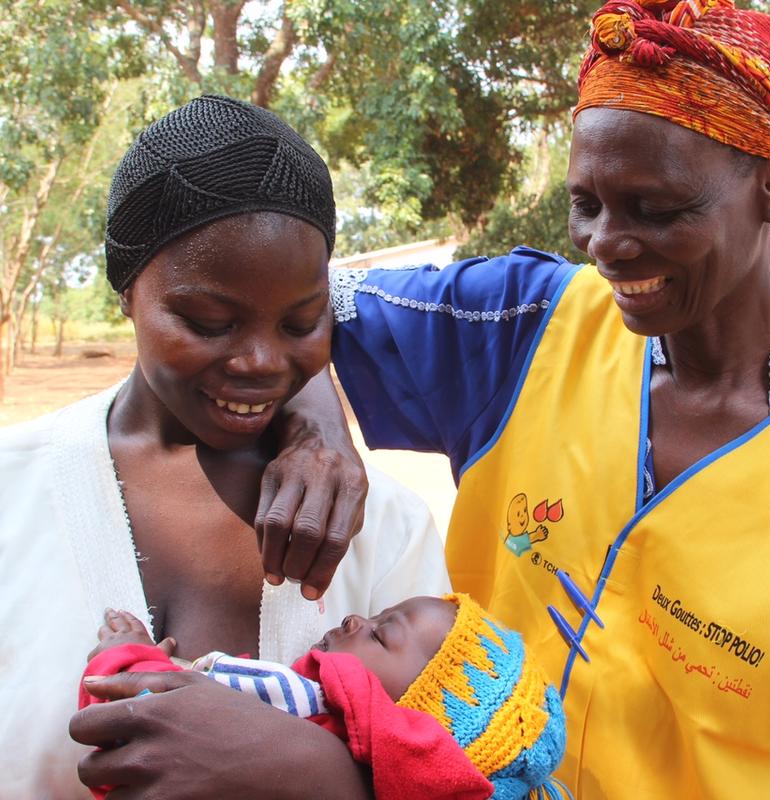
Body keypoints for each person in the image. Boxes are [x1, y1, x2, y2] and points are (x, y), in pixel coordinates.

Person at [70, 1, 770, 797]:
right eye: (586, 205)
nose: (607, 246)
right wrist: (318, 429)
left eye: (658, 210)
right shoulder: (525, 326)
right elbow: (298, 308)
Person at [0, 95, 450, 800]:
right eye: (209, 321)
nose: (262, 363)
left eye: (301, 322)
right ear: (128, 291)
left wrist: (315, 775)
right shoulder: (12, 492)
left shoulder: (387, 534)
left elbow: (469, 766)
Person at [79, 597, 567, 800]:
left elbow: (145, 718)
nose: (357, 620)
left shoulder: (302, 707)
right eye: (377, 614)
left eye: (380, 635)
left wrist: (126, 654)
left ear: (414, 714)